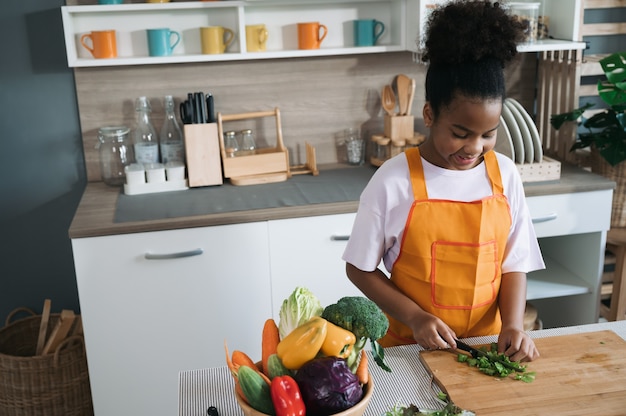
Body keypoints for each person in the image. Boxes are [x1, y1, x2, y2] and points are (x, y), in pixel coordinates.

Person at [342, 0, 544, 362]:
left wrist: (513, 325)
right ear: (430, 114)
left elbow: (515, 262)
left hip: (488, 348)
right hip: (411, 350)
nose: (474, 147)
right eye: (461, 132)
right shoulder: (393, 180)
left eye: (488, 134)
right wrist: (415, 316)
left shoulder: (505, 175)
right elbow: (359, 267)